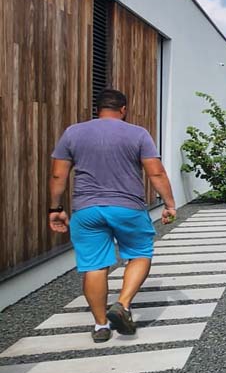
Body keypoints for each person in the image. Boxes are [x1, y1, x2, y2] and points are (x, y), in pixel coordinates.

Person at [48, 88, 177, 342]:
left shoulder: (73, 133)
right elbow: (156, 172)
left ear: (97, 110)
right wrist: (170, 204)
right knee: (140, 253)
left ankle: (100, 326)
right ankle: (123, 304)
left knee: (95, 265)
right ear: (123, 110)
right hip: (127, 208)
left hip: (87, 210)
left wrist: (55, 209)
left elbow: (57, 175)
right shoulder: (138, 134)